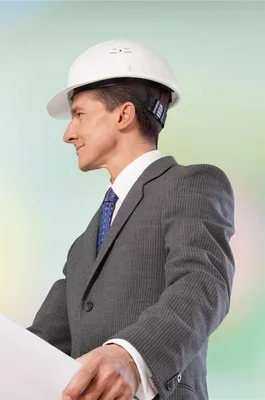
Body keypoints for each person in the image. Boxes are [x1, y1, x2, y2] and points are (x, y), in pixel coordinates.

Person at [28, 39, 235, 400]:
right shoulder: (85, 244)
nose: (68, 134)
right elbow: (42, 343)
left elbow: (203, 282)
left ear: (123, 115)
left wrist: (131, 355)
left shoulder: (191, 184)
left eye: (79, 115)